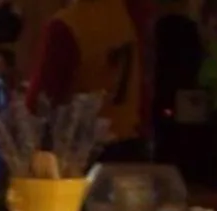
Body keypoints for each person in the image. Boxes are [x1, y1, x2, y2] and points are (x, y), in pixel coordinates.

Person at [26, 0, 147, 154]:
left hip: (82, 151)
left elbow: (40, 105)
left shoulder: (68, 24)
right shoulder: (128, 11)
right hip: (132, 144)